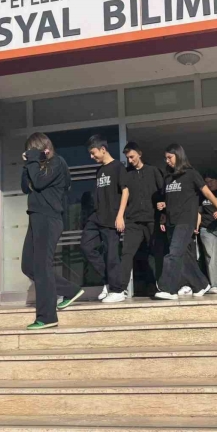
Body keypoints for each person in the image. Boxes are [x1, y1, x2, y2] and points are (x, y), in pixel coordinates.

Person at [21, 133, 84, 330]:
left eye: (31, 149)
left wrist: (32, 159)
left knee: (42, 267)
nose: (29, 153)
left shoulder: (57, 162)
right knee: (28, 266)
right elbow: (25, 187)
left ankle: (47, 317)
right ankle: (70, 290)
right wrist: (28, 164)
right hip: (36, 218)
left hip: (49, 219)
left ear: (42, 148)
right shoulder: (36, 166)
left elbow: (39, 183)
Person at [155, 144, 217, 300]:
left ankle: (168, 288)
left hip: (186, 220)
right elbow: (171, 199)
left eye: (170, 157)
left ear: (178, 156)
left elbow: (207, 193)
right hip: (171, 221)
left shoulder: (191, 174)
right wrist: (163, 211)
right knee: (185, 256)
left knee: (174, 253)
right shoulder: (168, 178)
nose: (167, 161)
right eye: (165, 158)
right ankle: (201, 284)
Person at [114, 142, 165, 301]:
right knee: (127, 253)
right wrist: (120, 216)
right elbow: (123, 195)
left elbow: (163, 192)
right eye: (127, 158)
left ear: (140, 154)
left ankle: (164, 287)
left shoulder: (153, 171)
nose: (130, 160)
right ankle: (120, 290)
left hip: (152, 219)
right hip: (133, 221)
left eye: (132, 156)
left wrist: (163, 206)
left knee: (157, 253)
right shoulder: (126, 174)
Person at [80, 135, 127, 302]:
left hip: (112, 217)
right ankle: (108, 280)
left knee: (112, 255)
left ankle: (118, 291)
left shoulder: (118, 167)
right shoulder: (99, 170)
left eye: (93, 153)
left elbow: (125, 191)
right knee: (86, 246)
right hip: (97, 216)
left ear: (103, 149)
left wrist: (120, 215)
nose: (91, 156)